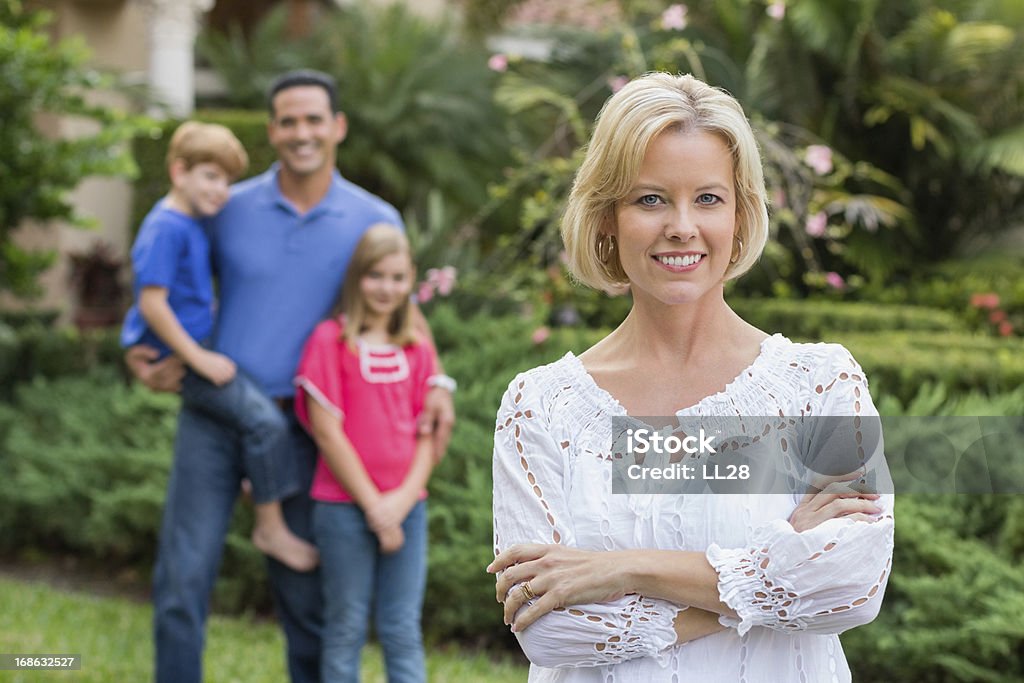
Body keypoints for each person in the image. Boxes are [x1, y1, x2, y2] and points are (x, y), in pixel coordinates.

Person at [487, 72, 894, 682]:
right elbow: (551, 630)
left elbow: (852, 586)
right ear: (606, 218)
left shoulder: (821, 383)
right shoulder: (540, 407)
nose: (682, 225)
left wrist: (624, 570)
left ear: (739, 216)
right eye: (650, 199)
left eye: (708, 198)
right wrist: (778, 564)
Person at [126, 70, 456, 683]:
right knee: (183, 575)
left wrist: (439, 384)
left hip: (311, 428)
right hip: (219, 414)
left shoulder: (371, 217)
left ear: (337, 127)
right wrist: (142, 351)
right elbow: (166, 275)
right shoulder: (227, 206)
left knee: (305, 597)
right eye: (287, 121)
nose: (301, 133)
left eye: (313, 120)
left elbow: (404, 312)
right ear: (272, 130)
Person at [120, 120, 319, 573]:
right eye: (210, 176)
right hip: (182, 356)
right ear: (178, 172)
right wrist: (198, 359)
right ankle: (269, 525)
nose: (221, 190)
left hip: (192, 349)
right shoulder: (166, 227)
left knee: (260, 425)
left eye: (227, 180)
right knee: (265, 423)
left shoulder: (191, 222)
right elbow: (151, 304)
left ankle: (260, 479)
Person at [295, 223, 439, 683]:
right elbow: (327, 431)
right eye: (376, 275)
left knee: (401, 627)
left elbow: (429, 432)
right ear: (357, 278)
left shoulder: (415, 348)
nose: (386, 288)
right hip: (342, 509)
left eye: (398, 278)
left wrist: (400, 501)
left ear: (410, 281)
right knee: (346, 627)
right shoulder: (330, 341)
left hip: (408, 509)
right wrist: (376, 508)